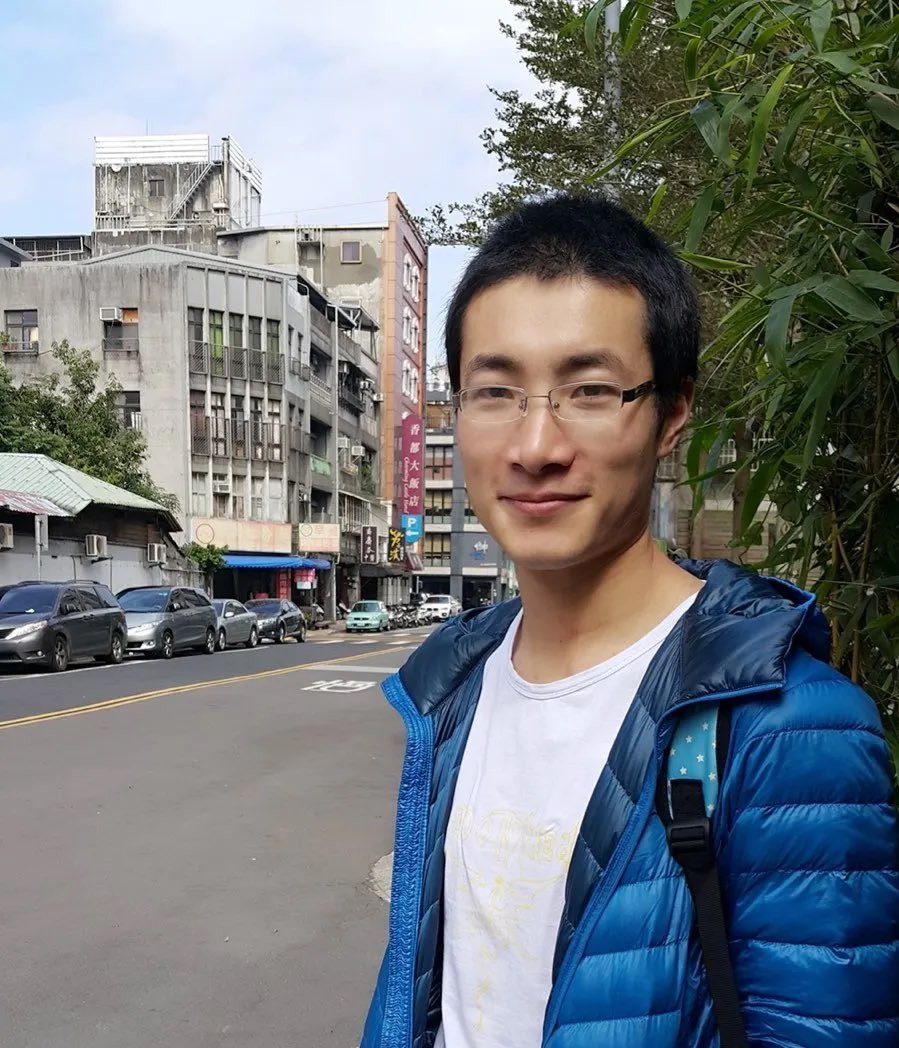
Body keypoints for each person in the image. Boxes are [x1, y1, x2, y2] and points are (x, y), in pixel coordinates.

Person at [361, 193, 899, 1048]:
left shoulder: (789, 727)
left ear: (670, 415)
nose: (535, 447)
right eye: (494, 392)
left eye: (590, 391)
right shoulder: (449, 687)